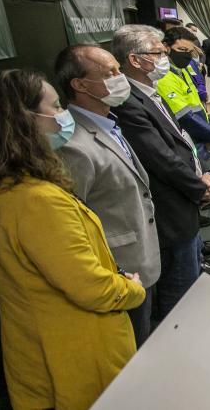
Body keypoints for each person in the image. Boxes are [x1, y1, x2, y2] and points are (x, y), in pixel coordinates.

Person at [0, 69, 145, 409]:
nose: (64, 114)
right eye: (55, 105)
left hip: (38, 355)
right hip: (79, 358)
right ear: (21, 121)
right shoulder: (37, 202)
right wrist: (131, 288)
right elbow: (91, 287)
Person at [53, 45, 160, 346]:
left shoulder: (109, 121)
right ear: (79, 85)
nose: (119, 77)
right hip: (120, 273)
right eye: (109, 73)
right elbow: (74, 226)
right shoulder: (73, 147)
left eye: (118, 69)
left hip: (142, 258)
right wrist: (112, 277)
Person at [110, 25, 210, 319]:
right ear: (135, 60)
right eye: (158, 53)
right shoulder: (129, 103)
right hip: (172, 210)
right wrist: (200, 187)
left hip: (186, 204)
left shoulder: (150, 91)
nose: (165, 57)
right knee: (179, 296)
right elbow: (162, 159)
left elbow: (180, 138)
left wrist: (203, 172)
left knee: (191, 279)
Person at [158, 27, 210, 164]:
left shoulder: (181, 69)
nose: (186, 55)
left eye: (189, 51)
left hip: (198, 136)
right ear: (166, 47)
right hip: (187, 138)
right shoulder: (164, 77)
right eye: (182, 50)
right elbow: (185, 117)